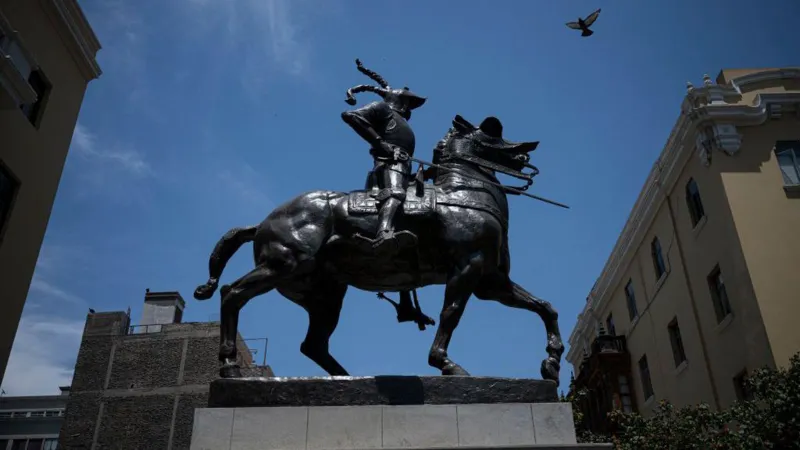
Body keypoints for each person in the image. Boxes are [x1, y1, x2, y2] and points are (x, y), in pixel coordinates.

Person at [341, 58, 426, 255]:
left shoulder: (399, 120)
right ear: (399, 100)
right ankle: (384, 233)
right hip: (389, 164)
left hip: (405, 167)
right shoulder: (382, 109)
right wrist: (380, 144)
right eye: (408, 102)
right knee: (396, 193)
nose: (409, 107)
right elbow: (351, 116)